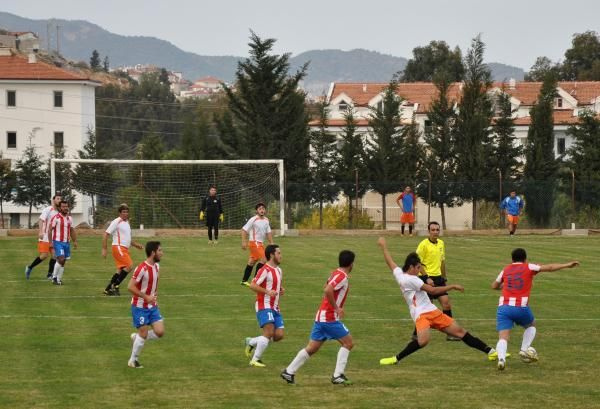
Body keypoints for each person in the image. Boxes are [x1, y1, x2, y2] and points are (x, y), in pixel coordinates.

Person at [377, 237, 499, 365]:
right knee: (423, 341)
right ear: (411, 267)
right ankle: (396, 359)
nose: (420, 271)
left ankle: (491, 352)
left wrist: (383, 246)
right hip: (421, 315)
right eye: (418, 268)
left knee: (460, 332)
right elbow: (433, 291)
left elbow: (390, 262)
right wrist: (452, 286)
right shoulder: (412, 280)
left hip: (432, 311)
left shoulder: (400, 274)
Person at [491, 248, 579, 370]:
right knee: (531, 325)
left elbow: (494, 286)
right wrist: (567, 265)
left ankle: (501, 359)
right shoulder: (529, 267)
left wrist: (506, 285)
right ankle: (524, 349)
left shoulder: (505, 269)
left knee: (503, 336)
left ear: (512, 259)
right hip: (520, 307)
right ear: (525, 258)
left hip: (504, 308)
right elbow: (550, 267)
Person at [281, 250, 355, 386]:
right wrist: (336, 307)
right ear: (351, 264)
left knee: (312, 348)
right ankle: (337, 375)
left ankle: (289, 371)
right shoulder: (342, 276)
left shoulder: (336, 272)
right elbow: (327, 290)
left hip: (321, 316)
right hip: (329, 317)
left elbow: (326, 287)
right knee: (348, 343)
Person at [415, 221, 458, 340]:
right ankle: (416, 334)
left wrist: (444, 277)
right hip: (427, 279)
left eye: (437, 230)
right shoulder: (423, 244)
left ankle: (450, 333)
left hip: (439, 278)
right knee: (427, 308)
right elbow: (418, 263)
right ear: (429, 231)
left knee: (446, 304)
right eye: (433, 230)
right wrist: (426, 277)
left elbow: (442, 261)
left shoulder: (441, 243)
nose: (435, 232)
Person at [244, 244, 284, 367]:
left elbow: (275, 284)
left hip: (275, 306)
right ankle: (255, 359)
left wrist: (280, 289)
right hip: (264, 305)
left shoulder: (279, 270)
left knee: (278, 335)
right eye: (278, 253)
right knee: (268, 332)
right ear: (272, 255)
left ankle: (252, 341)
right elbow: (253, 285)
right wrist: (267, 292)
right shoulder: (264, 270)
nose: (281, 256)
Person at [127, 241, 165, 369]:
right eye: (160, 251)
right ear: (153, 252)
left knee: (160, 332)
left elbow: (155, 285)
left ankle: (138, 338)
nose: (162, 253)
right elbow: (130, 287)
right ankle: (133, 360)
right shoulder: (141, 268)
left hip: (152, 306)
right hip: (139, 307)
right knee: (143, 333)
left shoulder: (157, 267)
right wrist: (145, 297)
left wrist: (155, 298)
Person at [102, 204, 143, 296]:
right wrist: (104, 249)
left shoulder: (127, 223)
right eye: (123, 212)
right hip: (118, 247)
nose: (125, 214)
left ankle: (108, 289)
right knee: (129, 265)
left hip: (124, 248)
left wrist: (136, 245)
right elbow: (106, 234)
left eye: (127, 212)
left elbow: (128, 239)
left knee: (120, 269)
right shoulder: (117, 221)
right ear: (119, 213)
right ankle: (115, 286)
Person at [25, 193, 61, 279]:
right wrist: (40, 231)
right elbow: (41, 220)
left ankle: (49, 275)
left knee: (55, 255)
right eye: (58, 198)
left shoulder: (59, 212)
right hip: (45, 237)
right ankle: (29, 267)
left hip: (53, 238)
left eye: (60, 199)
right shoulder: (48, 209)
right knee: (44, 255)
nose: (59, 200)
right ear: (53, 200)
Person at [240, 202, 273, 286]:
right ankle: (256, 281)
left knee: (251, 262)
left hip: (260, 244)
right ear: (257, 211)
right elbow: (244, 230)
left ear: (265, 210)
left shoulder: (266, 220)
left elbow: (268, 232)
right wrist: (244, 242)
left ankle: (244, 280)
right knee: (265, 259)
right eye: (260, 209)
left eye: (263, 209)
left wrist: (271, 243)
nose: (262, 210)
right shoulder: (253, 219)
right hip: (254, 243)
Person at [48, 200, 77, 285]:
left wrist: (75, 241)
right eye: (63, 207)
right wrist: (50, 243)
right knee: (61, 259)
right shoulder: (56, 218)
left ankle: (59, 279)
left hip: (66, 243)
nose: (65, 208)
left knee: (63, 262)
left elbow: (71, 230)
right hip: (57, 242)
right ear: (60, 208)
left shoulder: (69, 218)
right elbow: (50, 230)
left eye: (66, 206)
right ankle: (54, 278)